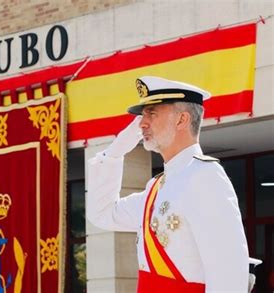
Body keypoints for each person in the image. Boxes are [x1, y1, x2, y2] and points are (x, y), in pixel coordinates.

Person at [87, 76, 250, 292]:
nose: (142, 123)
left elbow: (228, 274)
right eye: (142, 115)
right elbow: (103, 214)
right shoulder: (157, 187)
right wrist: (115, 153)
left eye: (151, 113)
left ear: (181, 120)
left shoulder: (205, 177)